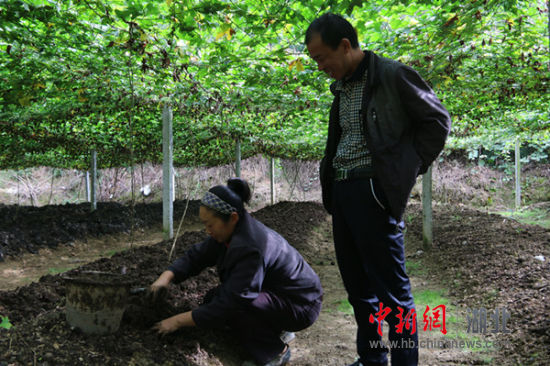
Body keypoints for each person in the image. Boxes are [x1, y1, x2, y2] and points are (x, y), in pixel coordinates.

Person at [305, 13, 451, 366]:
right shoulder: (341, 89)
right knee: (358, 288)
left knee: (392, 294)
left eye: (322, 57)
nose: (320, 66)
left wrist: (403, 171)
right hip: (343, 193)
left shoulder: (391, 75)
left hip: (373, 192)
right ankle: (372, 357)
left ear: (345, 45)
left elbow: (437, 122)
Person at [150, 178, 323, 366]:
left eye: (210, 225)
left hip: (301, 305)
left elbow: (231, 303)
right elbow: (197, 256)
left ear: (232, 217)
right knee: (213, 299)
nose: (207, 231)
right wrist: (165, 277)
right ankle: (273, 329)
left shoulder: (250, 247)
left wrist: (175, 322)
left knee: (236, 309)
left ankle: (275, 352)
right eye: (204, 224)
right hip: (282, 295)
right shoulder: (232, 231)